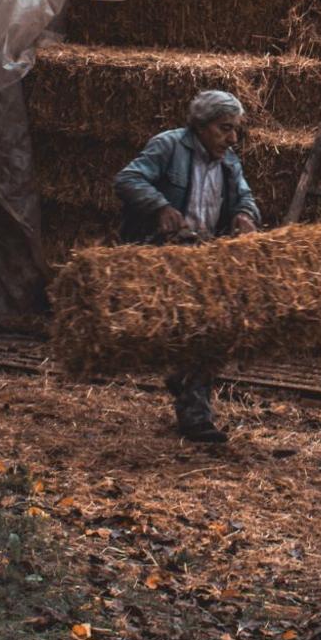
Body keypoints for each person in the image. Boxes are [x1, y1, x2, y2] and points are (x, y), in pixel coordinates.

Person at [113, 89, 261, 442]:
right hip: (163, 254)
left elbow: (245, 195)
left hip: (204, 257)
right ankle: (191, 401)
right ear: (201, 125)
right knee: (193, 333)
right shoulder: (168, 147)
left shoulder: (229, 162)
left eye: (235, 129)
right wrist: (160, 207)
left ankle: (193, 406)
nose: (232, 138)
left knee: (209, 333)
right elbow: (128, 179)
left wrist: (244, 214)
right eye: (225, 128)